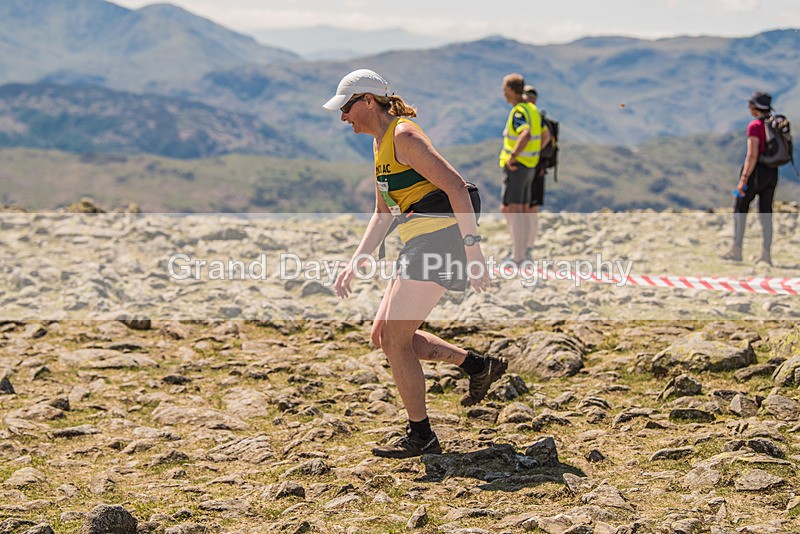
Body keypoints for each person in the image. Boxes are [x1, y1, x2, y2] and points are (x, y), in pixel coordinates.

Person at [323, 69, 508, 459]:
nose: (343, 118)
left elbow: (457, 187)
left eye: (346, 108)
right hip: (415, 240)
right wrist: (356, 262)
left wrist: (474, 253)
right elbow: (382, 213)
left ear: (368, 101)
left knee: (395, 340)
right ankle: (476, 365)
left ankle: (421, 435)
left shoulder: (404, 136)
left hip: (438, 239)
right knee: (382, 337)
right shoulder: (379, 146)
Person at [721, 91, 779, 266]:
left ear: (755, 108)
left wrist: (744, 179)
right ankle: (766, 254)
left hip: (755, 173)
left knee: (740, 207)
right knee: (766, 212)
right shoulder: (775, 124)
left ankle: (736, 250)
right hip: (772, 172)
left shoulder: (755, 126)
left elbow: (752, 155)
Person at [499, 74, 549, 264]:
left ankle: (517, 256)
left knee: (515, 210)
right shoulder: (533, 109)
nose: (503, 92)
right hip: (530, 166)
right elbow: (545, 136)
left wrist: (513, 156)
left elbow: (525, 134)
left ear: (511, 90)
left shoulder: (519, 111)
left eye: (504, 88)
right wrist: (533, 154)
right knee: (522, 210)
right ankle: (523, 250)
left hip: (517, 167)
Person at [522, 84, 552, 260]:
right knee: (530, 210)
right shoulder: (536, 115)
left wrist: (533, 154)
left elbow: (546, 136)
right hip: (537, 168)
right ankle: (527, 247)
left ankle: (526, 248)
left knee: (527, 209)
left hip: (533, 167)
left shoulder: (532, 116)